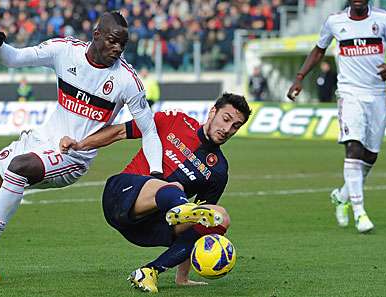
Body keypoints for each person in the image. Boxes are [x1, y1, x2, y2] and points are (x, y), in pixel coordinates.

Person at [0, 11, 164, 283]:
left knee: (19, 166)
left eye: (123, 44)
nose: (117, 48)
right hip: (40, 140)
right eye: (111, 41)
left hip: (73, 157)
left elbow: (150, 131)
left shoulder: (127, 81)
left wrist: (156, 176)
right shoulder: (64, 51)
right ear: (96, 35)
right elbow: (14, 59)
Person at [60, 93, 252, 292]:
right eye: (226, 119)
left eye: (236, 126)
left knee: (219, 218)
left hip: (144, 228)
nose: (227, 129)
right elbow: (119, 132)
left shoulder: (218, 171)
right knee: (175, 188)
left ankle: (149, 272)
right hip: (119, 195)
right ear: (213, 112)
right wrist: (80, 145)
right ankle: (179, 206)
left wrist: (182, 277)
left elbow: (200, 226)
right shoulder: (174, 120)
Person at [287, 0, 386, 233]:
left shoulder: (383, 19)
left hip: (377, 94)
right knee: (353, 148)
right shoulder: (334, 21)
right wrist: (300, 77)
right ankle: (360, 213)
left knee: (370, 156)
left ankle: (341, 196)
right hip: (349, 93)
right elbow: (319, 50)